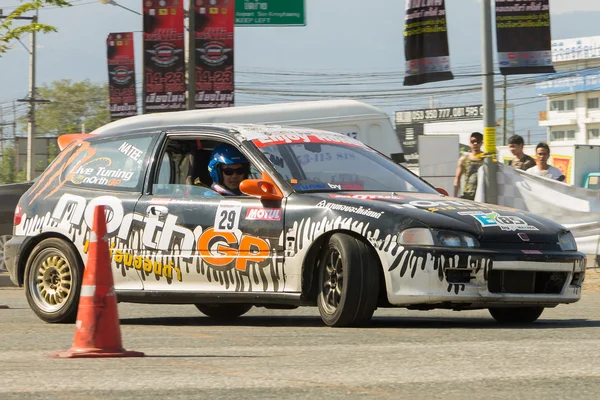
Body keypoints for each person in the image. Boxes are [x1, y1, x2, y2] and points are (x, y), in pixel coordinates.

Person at [453, 132, 484, 200]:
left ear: (481, 143)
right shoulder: (463, 159)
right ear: (470, 143)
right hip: (468, 195)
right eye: (473, 141)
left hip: (483, 195)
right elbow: (457, 179)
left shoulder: (487, 159)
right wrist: (455, 196)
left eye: (478, 141)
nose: (475, 144)